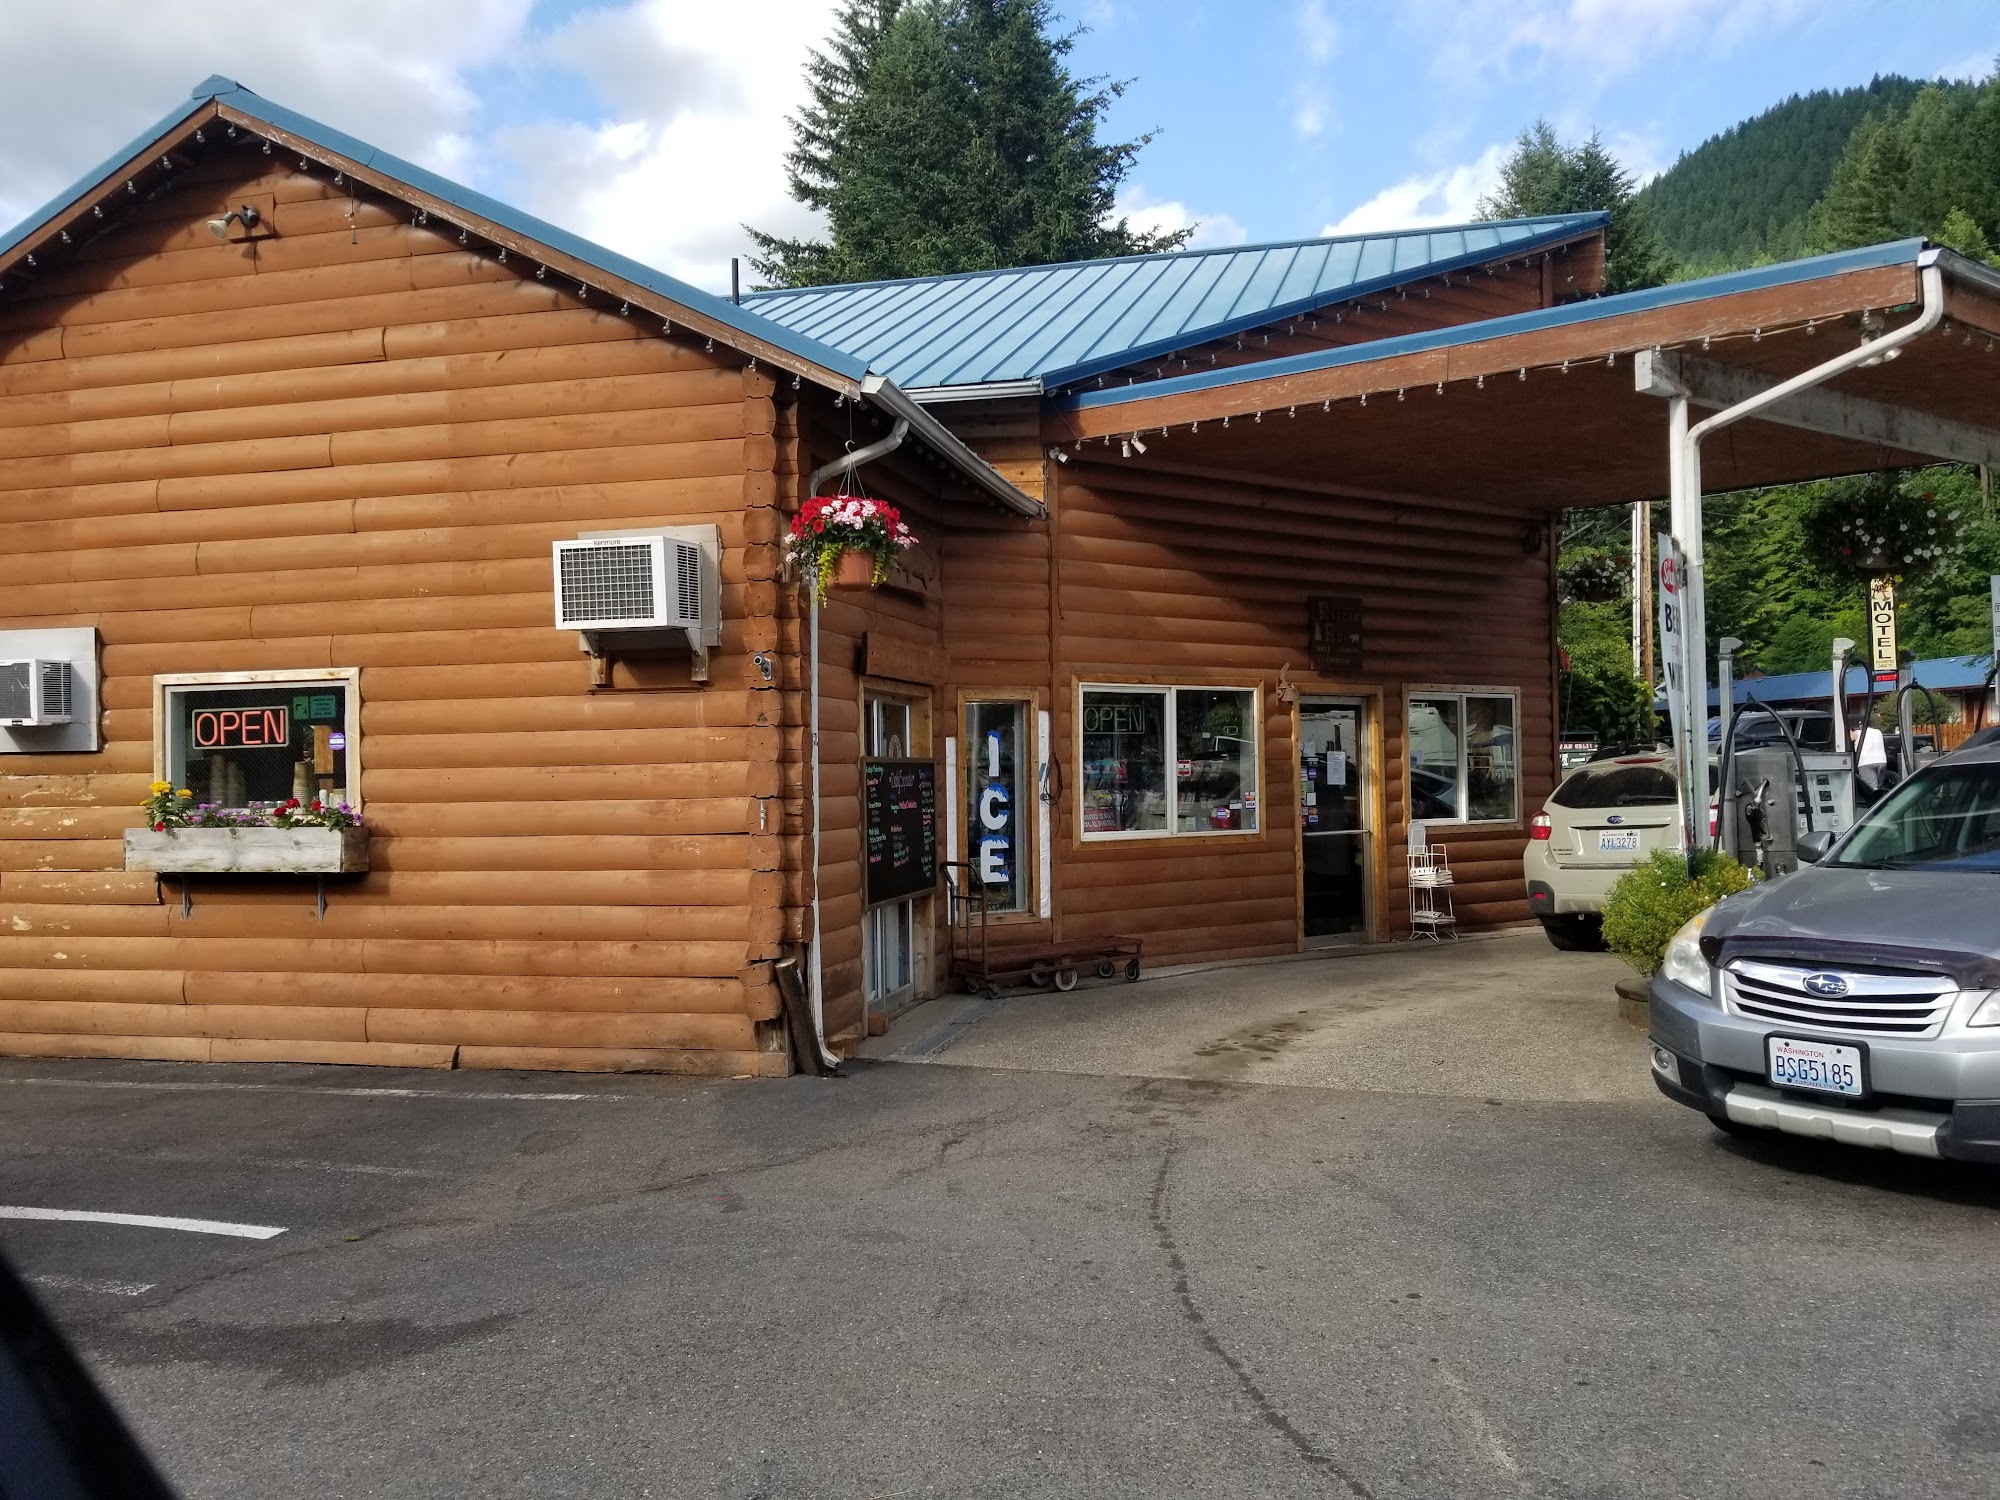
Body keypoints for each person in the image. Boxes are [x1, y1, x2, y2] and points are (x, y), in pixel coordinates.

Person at [1851, 722, 1888, 801]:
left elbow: (1848, 737)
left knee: (1872, 787)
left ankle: (1875, 804)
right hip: (1882, 761)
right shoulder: (1878, 732)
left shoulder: (1858, 733)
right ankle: (1883, 801)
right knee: (1879, 786)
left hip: (1866, 762)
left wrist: (1850, 730)